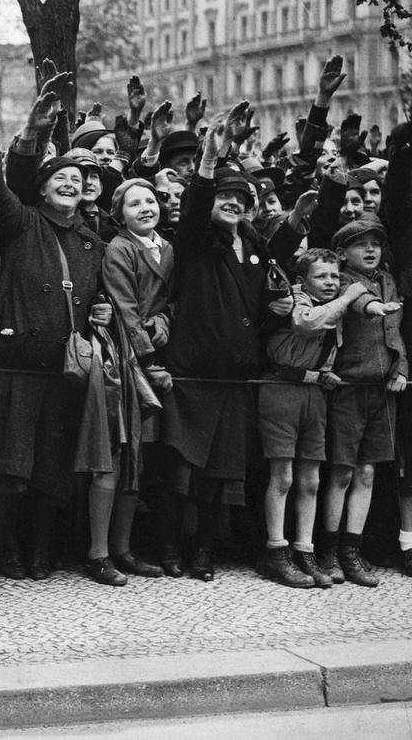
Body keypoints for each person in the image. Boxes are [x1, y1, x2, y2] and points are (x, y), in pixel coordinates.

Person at [0, 89, 113, 582]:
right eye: (60, 179)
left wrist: (102, 315)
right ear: (43, 190)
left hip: (64, 370)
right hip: (16, 360)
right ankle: (5, 549)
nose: (70, 184)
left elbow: (97, 302)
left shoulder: (93, 242)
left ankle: (41, 550)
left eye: (77, 179)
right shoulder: (21, 222)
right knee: (10, 464)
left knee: (51, 466)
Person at [161, 108, 269, 582]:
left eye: (239, 197)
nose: (231, 202)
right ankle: (168, 548)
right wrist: (208, 161)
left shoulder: (255, 248)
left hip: (235, 378)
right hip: (193, 375)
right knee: (179, 470)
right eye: (224, 194)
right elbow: (194, 207)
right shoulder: (196, 242)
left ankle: (203, 551)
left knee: (219, 475)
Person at [257, 247, 364, 589]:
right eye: (322, 275)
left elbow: (329, 348)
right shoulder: (298, 300)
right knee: (283, 476)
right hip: (281, 393)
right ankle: (277, 551)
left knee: (311, 479)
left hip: (313, 395)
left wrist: (325, 373)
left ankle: (305, 550)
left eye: (335, 276)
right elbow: (306, 325)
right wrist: (348, 297)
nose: (331, 282)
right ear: (304, 280)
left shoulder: (335, 309)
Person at [316, 218, 406, 587]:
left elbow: (394, 330)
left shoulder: (388, 279)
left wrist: (400, 366)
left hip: (382, 390)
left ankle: (352, 551)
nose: (371, 250)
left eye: (375, 244)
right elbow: (363, 305)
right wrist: (373, 307)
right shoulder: (344, 282)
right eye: (360, 245)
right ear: (342, 253)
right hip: (348, 388)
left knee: (367, 472)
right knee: (341, 471)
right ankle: (329, 549)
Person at [100, 178, 173, 579]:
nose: (145, 208)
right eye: (134, 204)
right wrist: (149, 356)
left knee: (141, 458)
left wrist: (165, 319)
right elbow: (124, 307)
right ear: (119, 214)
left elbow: (170, 299)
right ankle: (106, 549)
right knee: (122, 453)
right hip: (128, 361)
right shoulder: (119, 249)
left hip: (155, 354)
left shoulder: (167, 248)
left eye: (150, 200)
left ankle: (124, 546)